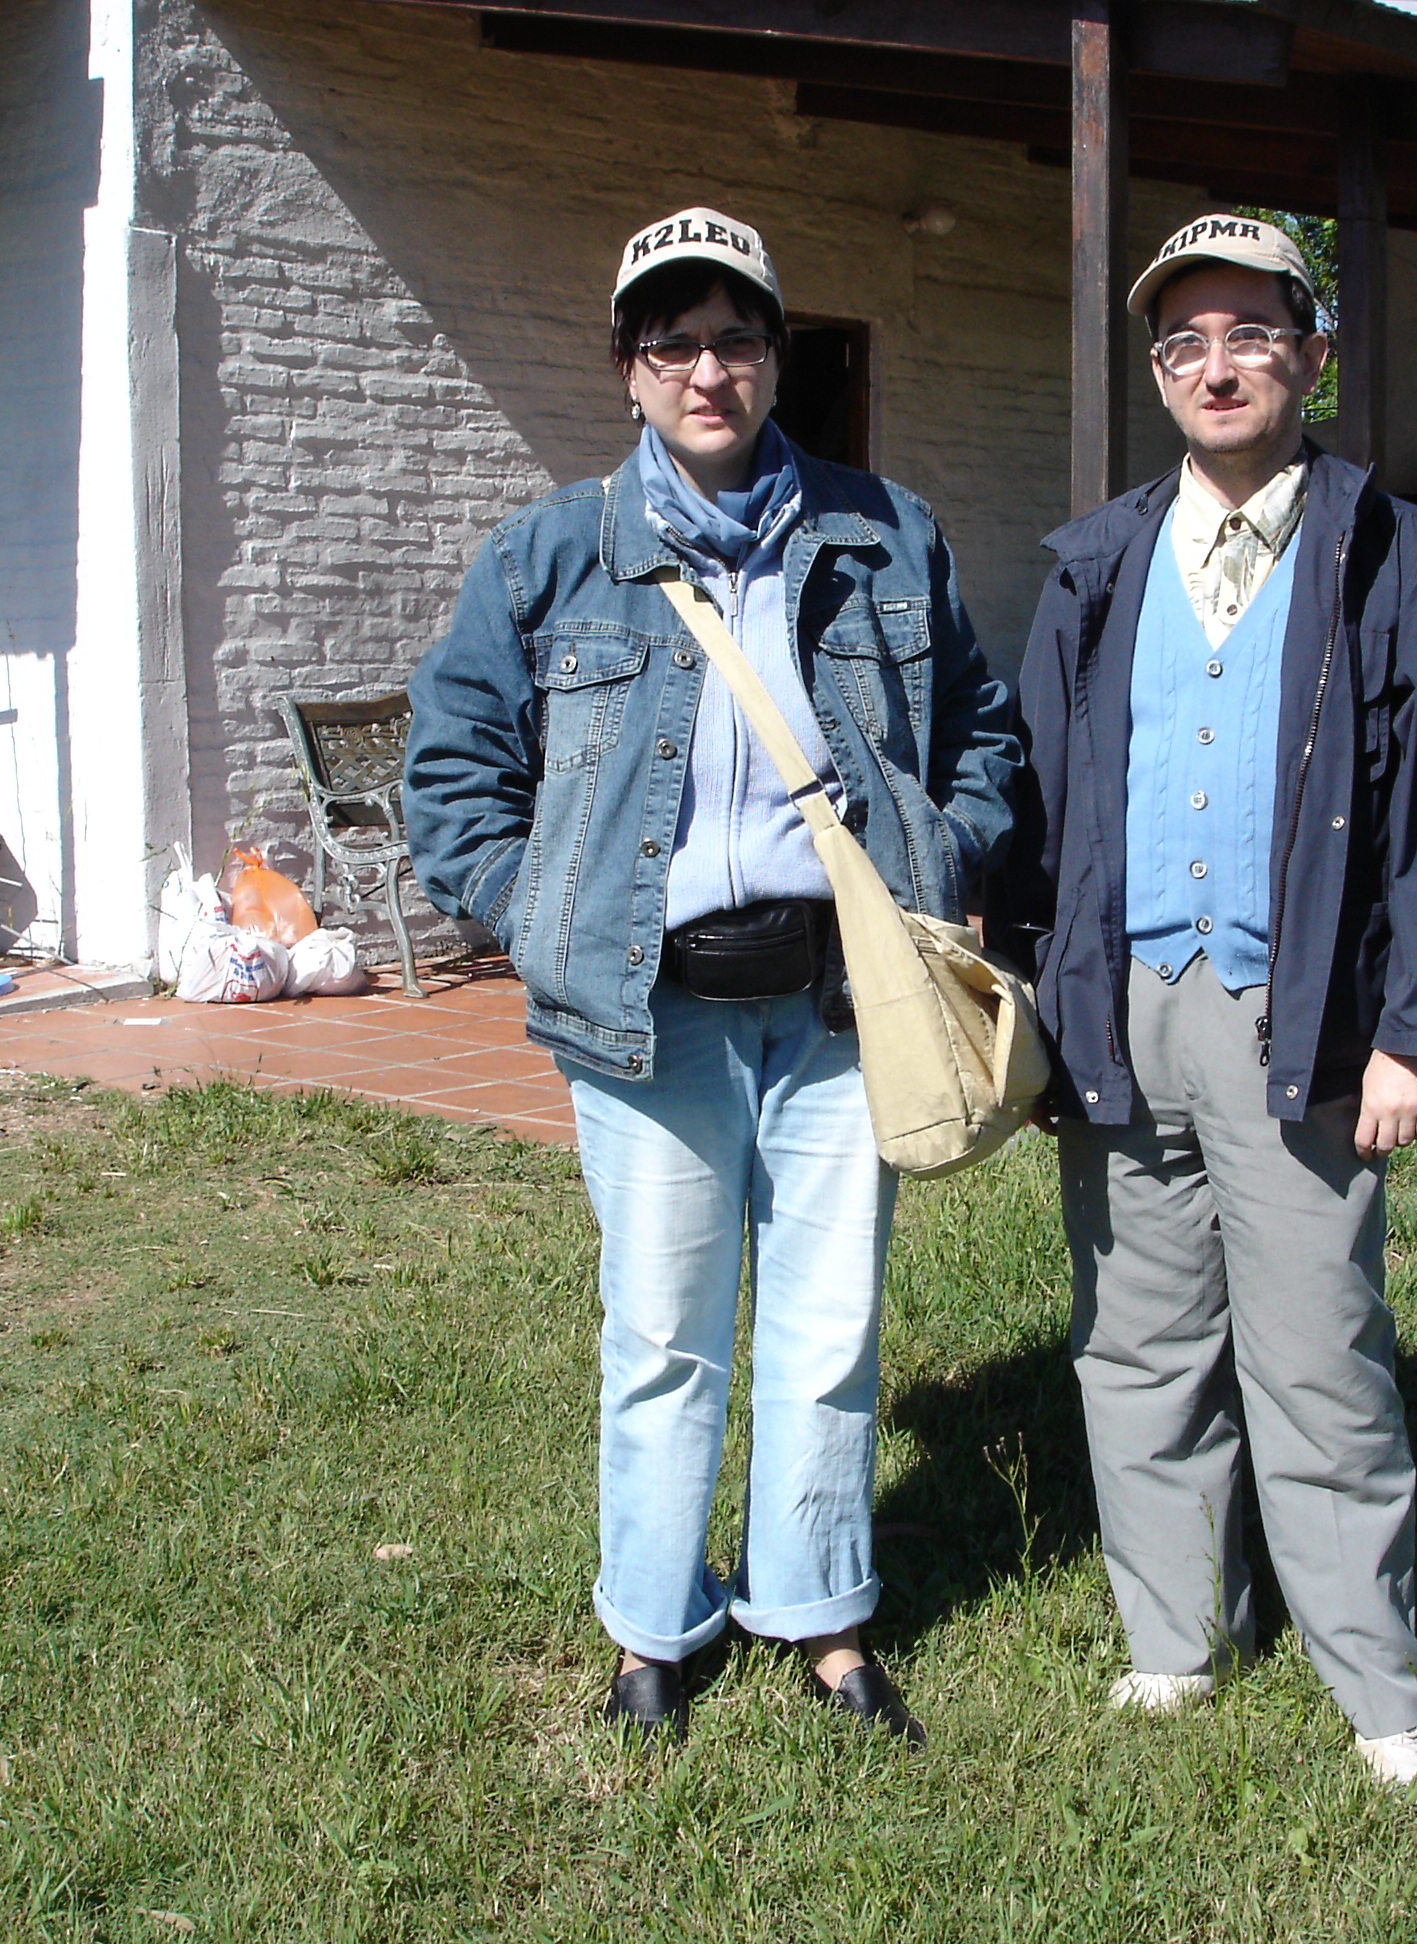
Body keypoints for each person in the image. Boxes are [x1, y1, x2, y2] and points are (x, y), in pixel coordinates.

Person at [403, 208, 1018, 1749]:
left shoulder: (887, 534)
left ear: (775, 359)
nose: (706, 371)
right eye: (670, 344)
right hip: (647, 1014)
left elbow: (983, 731)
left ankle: (821, 1616)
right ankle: (653, 1630)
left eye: (735, 339)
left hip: (837, 1010)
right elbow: (452, 771)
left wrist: (944, 851)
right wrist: (537, 909)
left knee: (829, 1324)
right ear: (627, 369)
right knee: (665, 1335)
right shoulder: (549, 553)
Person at [995, 215, 1417, 1799]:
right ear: (1159, 374)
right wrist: (1032, 999)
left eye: (1250, 335)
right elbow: (1035, 801)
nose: (1215, 368)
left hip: (1299, 1016)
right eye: (1184, 343)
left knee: (1319, 1356)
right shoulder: (1095, 562)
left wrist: (1409, 1033)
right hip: (1120, 1004)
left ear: (1311, 357)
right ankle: (1176, 1638)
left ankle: (1376, 1683)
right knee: (1137, 1346)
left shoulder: (1394, 553)